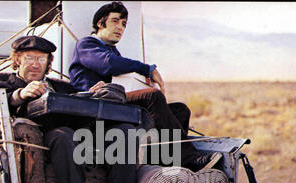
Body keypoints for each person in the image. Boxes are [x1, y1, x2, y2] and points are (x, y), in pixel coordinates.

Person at [0, 35, 140, 183]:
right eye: (29, 58)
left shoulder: (61, 86)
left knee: (125, 133)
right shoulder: (1, 83)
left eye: (41, 59)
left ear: (49, 63)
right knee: (64, 136)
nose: (35, 64)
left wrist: (93, 93)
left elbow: (81, 100)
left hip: (82, 135)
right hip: (46, 141)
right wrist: (20, 94)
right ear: (18, 60)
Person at [69, 1, 222, 171]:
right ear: (100, 23)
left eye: (124, 24)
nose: (120, 27)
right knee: (151, 96)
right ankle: (190, 159)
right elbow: (108, 64)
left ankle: (168, 161)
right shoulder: (87, 44)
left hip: (114, 102)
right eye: (115, 21)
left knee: (180, 110)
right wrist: (147, 69)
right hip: (95, 104)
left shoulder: (112, 50)